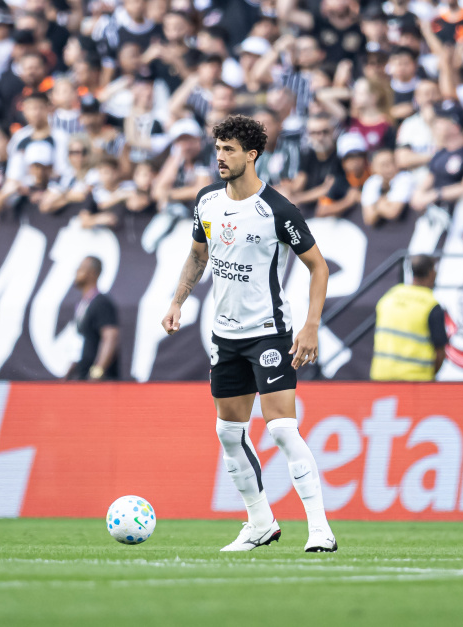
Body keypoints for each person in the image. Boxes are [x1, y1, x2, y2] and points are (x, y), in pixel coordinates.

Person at [160, 114, 336, 553]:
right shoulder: (206, 201)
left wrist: (311, 326)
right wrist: (177, 301)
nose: (220, 157)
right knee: (228, 434)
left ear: (252, 155)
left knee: (282, 430)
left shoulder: (277, 209)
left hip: (269, 334)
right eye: (218, 148)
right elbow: (197, 256)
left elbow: (318, 267)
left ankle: (320, 529)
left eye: (230, 150)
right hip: (225, 337)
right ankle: (260, 523)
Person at [371, 255, 448, 380]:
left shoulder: (390, 296)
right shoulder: (431, 305)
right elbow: (440, 352)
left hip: (382, 377)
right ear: (431, 273)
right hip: (415, 380)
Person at [67, 256, 120, 381]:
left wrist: (97, 372)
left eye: (81, 268)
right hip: (84, 376)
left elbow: (110, 338)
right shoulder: (84, 303)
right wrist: (68, 374)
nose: (76, 272)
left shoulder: (101, 302)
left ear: (92, 273)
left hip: (99, 382)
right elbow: (80, 343)